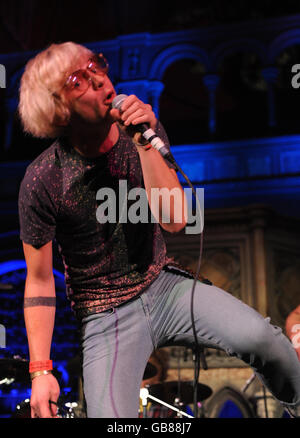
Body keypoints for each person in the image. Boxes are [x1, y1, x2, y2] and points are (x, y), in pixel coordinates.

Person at [18, 42, 300, 418]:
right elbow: (38, 281)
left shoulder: (143, 131)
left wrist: (145, 144)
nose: (100, 79)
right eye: (79, 80)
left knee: (263, 339)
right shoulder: (43, 178)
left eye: (95, 65)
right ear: (58, 108)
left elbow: (175, 220)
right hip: (106, 315)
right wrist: (41, 370)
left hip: (164, 286)